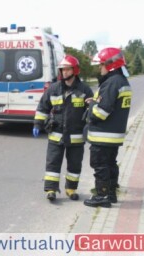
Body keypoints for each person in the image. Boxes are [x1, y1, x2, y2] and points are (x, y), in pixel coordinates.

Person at [33, 55, 94, 202]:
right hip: (56, 134)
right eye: (62, 70)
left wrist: (92, 107)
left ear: (75, 70)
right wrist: (37, 124)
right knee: (53, 163)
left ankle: (71, 189)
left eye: (67, 69)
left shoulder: (85, 90)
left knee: (74, 164)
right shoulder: (53, 89)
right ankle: (51, 190)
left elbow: (92, 112)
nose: (64, 72)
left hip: (76, 136)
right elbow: (43, 107)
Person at [84, 47, 131, 208]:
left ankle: (102, 196)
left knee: (100, 166)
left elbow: (101, 113)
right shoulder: (122, 81)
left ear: (110, 64)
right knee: (110, 165)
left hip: (103, 136)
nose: (99, 68)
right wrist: (95, 102)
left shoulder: (112, 83)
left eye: (101, 64)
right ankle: (110, 194)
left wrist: (91, 106)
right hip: (114, 135)